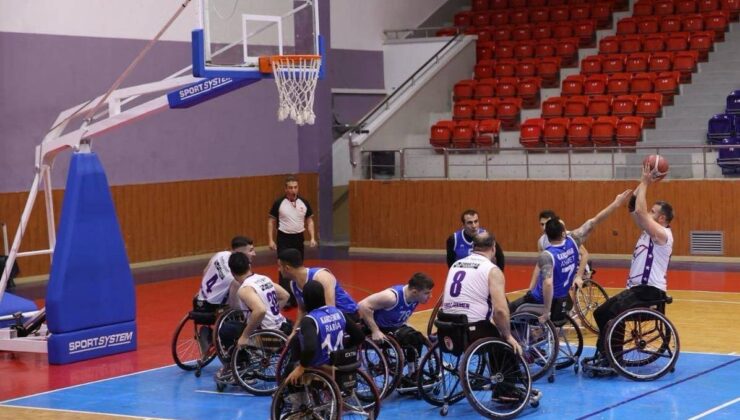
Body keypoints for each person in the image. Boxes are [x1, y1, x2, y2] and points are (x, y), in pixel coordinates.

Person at [589, 163, 674, 362]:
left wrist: (645, 183)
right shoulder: (648, 231)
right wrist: (643, 184)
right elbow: (633, 206)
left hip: (649, 291)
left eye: (653, 212)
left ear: (661, 218)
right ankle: (607, 352)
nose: (648, 213)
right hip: (637, 291)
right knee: (600, 312)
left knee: (611, 314)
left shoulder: (662, 235)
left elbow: (641, 213)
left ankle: (613, 357)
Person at [511, 191, 632, 323]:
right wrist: (615, 204)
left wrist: (546, 311)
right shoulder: (572, 241)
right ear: (563, 233)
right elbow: (594, 221)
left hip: (541, 300)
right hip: (562, 297)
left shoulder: (547, 255)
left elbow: (547, 283)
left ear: (548, 235)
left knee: (508, 309)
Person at [216, 252, 293, 381]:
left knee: (226, 329)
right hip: (283, 327)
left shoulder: (245, 289)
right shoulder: (263, 279)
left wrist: (245, 336)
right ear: (249, 266)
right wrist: (272, 313)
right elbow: (285, 295)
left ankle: (242, 365)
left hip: (268, 338)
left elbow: (260, 310)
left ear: (232, 272)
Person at [358, 273, 434, 386]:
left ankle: (413, 372)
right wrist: (375, 330)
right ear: (414, 292)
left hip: (392, 328)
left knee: (417, 337)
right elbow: (363, 305)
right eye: (427, 293)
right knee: (412, 337)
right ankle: (412, 373)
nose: (430, 296)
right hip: (375, 329)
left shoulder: (415, 298)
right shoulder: (391, 297)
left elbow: (401, 315)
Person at [284, 281, 365, 385]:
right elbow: (360, 336)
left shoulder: (310, 320)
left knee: (291, 368)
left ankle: (298, 398)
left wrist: (301, 367)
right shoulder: (339, 312)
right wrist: (345, 348)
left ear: (305, 300)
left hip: (323, 366)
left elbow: (310, 348)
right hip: (341, 361)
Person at [278, 248, 360, 337]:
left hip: (345, 314)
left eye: (280, 266)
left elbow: (331, 309)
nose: (279, 270)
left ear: (287, 268)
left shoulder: (321, 276)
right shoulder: (293, 284)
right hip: (323, 318)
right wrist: (293, 333)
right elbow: (302, 310)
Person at [268, 175, 317, 307]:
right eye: (290, 187)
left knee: (297, 266)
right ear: (286, 189)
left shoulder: (304, 202)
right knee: (284, 266)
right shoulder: (279, 203)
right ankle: (286, 296)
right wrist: (271, 240)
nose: (293, 190)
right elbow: (271, 221)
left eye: (295, 187)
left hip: (298, 238)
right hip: (284, 237)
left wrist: (312, 237)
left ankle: (298, 295)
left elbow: (310, 220)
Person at [195, 236, 256, 313]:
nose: (254, 254)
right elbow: (234, 304)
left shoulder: (221, 254)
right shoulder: (237, 273)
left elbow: (205, 271)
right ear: (239, 253)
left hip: (200, 299)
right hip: (213, 306)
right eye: (250, 251)